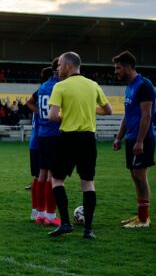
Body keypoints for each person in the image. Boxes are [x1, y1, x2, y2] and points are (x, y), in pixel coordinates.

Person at [46, 52, 112, 239]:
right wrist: (87, 109)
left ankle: (66, 223)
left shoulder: (61, 86)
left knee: (57, 180)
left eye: (59, 64)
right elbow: (108, 110)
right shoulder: (93, 85)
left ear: (68, 66)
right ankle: (88, 229)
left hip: (68, 138)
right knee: (88, 183)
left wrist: (67, 114)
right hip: (88, 139)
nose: (57, 68)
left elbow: (52, 116)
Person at [112, 51, 156, 229]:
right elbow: (127, 115)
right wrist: (119, 137)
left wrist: (140, 141)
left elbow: (146, 116)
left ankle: (144, 219)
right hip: (131, 139)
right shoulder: (129, 86)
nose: (116, 71)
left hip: (142, 139)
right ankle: (140, 216)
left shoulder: (144, 85)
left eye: (118, 68)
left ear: (128, 67)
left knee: (140, 175)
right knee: (135, 176)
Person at [25, 62, 61, 227]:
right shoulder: (58, 88)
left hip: (37, 139)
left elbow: (29, 102)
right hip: (48, 138)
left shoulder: (41, 90)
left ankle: (37, 212)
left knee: (40, 176)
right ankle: (48, 214)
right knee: (50, 176)